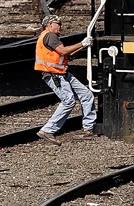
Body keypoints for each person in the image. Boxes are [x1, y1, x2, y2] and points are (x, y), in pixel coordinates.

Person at [34, 14, 96, 144]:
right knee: (68, 101)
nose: (61, 26)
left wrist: (83, 46)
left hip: (62, 73)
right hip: (54, 74)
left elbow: (65, 53)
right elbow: (63, 51)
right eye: (58, 23)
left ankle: (89, 128)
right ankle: (47, 130)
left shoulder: (49, 37)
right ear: (49, 25)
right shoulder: (49, 35)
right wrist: (81, 43)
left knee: (86, 95)